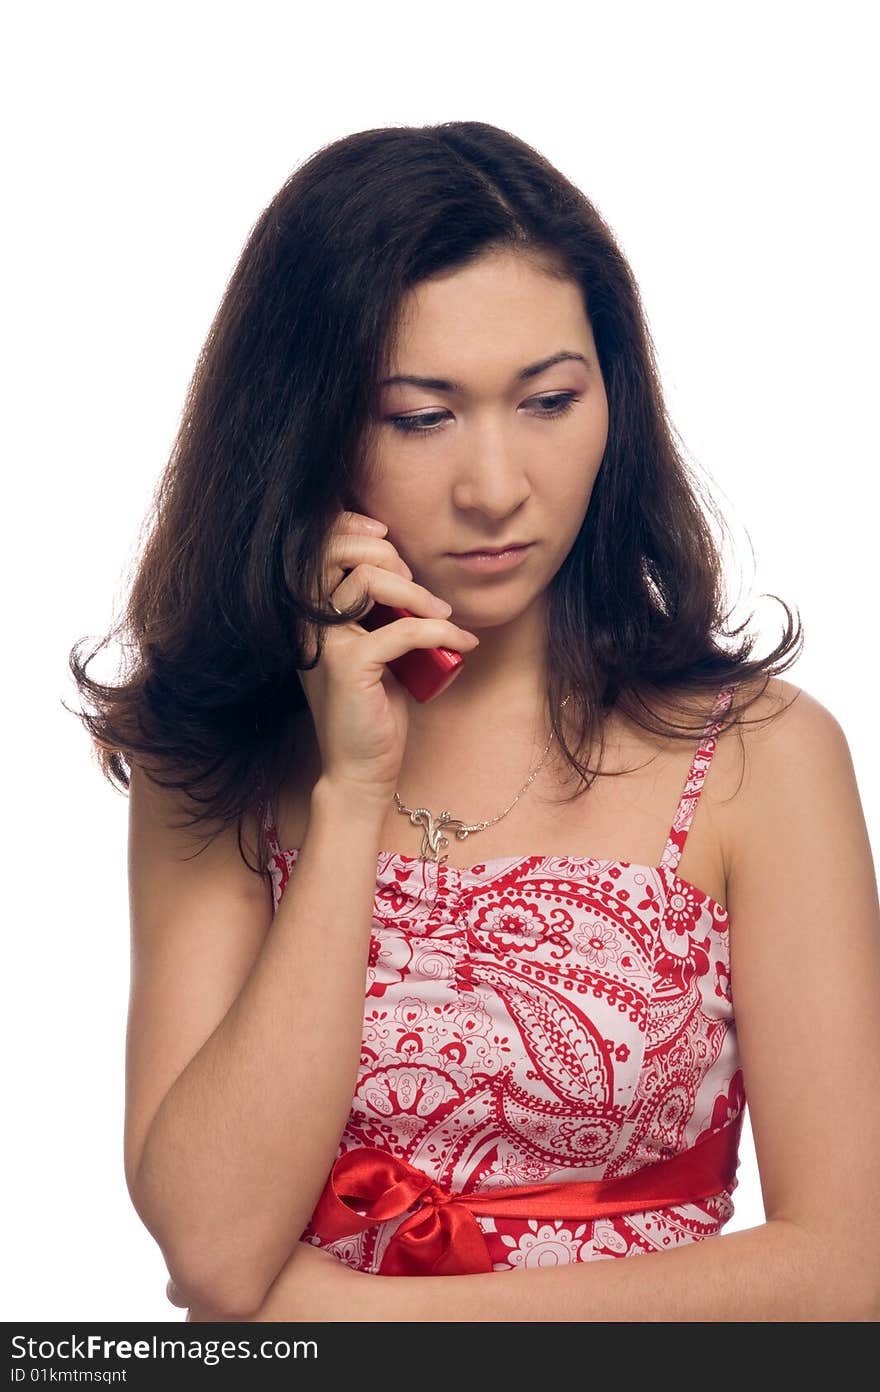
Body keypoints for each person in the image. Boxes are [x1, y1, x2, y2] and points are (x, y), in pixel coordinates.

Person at [68, 121, 879, 1322]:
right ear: (306, 428)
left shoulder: (758, 758)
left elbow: (845, 1266)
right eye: (419, 416)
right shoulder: (223, 761)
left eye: (549, 400)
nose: (497, 486)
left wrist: (368, 1325)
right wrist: (348, 794)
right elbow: (214, 1249)